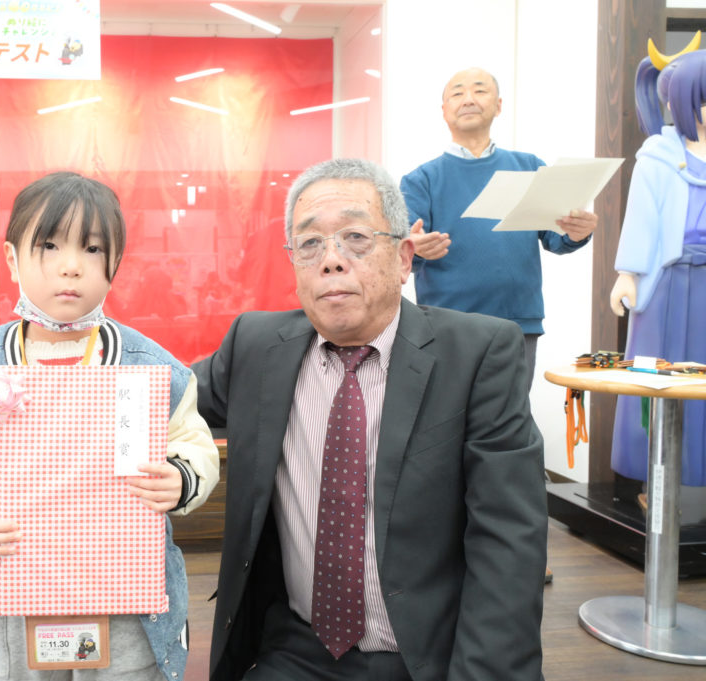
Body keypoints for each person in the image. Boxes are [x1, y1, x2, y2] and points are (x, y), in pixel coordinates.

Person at [193, 158, 547, 681]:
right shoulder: (255, 346)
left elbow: (509, 543)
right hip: (295, 647)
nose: (331, 261)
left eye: (356, 238)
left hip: (427, 655)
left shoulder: (478, 354)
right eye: (309, 244)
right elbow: (155, 399)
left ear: (403, 258)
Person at [0, 171, 220, 680]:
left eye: (92, 248)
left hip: (122, 592)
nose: (71, 266)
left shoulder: (149, 366)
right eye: (49, 245)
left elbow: (192, 440)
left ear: (115, 262)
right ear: (11, 259)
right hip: (13, 586)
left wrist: (181, 475)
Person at [400, 67, 599, 389]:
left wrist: (577, 232)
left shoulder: (530, 167)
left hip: (518, 322)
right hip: (446, 325)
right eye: (457, 93)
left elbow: (557, 238)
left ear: (499, 105)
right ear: (444, 110)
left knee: (510, 414)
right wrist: (415, 247)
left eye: (480, 90)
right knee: (446, 415)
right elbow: (403, 251)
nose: (468, 99)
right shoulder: (420, 180)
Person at [609, 39, 706, 489]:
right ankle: (657, 479)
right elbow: (642, 221)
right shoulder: (658, 156)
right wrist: (627, 274)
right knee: (657, 376)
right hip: (668, 284)